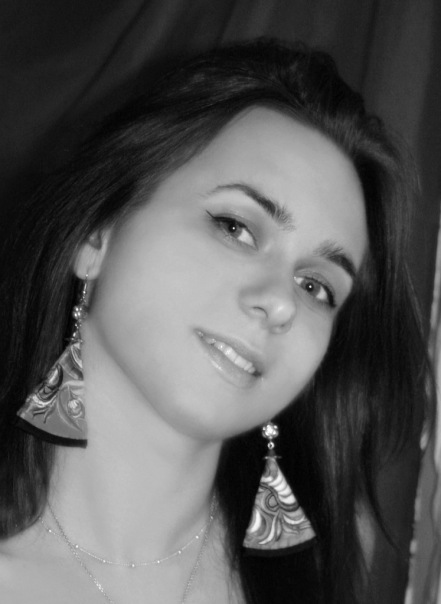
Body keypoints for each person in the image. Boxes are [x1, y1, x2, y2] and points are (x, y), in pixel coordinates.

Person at [0, 38, 431, 604]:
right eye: (236, 228)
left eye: (316, 286)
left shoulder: (323, 575)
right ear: (96, 235)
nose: (280, 303)